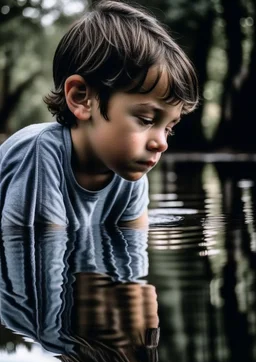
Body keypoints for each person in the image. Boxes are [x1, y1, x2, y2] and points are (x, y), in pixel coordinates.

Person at [0, 0, 198, 228]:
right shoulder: (40, 152)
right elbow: (44, 249)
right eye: (146, 120)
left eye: (168, 128)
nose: (161, 143)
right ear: (81, 98)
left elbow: (134, 252)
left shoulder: (128, 171)